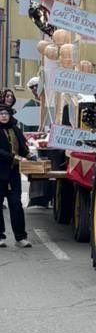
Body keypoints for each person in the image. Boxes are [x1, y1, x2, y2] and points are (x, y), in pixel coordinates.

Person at [0, 104, 32, 248]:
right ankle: (0, 236)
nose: (3, 116)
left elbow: (23, 147)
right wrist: (16, 158)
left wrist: (29, 155)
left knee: (16, 204)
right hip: (0, 173)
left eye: (6, 113)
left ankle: (20, 237)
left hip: (13, 173)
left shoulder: (16, 129)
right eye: (1, 113)